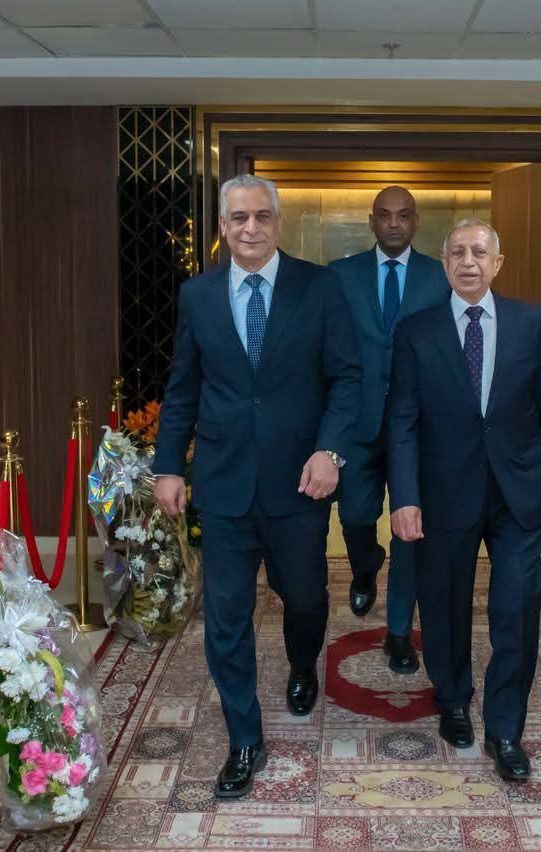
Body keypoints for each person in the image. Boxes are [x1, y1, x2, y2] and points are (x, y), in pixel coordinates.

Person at [153, 174, 361, 799]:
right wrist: (168, 465)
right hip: (223, 484)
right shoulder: (197, 295)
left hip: (300, 483)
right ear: (222, 226)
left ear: (278, 222)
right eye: (238, 218)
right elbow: (183, 387)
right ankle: (244, 738)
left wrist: (330, 451)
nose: (250, 228)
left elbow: (348, 379)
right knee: (226, 615)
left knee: (305, 598)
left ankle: (303, 663)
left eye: (261, 216)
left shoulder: (319, 287)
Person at [387, 218, 541, 782]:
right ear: (445, 264)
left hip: (519, 488)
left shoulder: (531, 323)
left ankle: (505, 729)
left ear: (497, 263)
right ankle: (452, 699)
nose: (469, 262)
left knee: (516, 605)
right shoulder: (415, 332)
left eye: (479, 252)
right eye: (458, 253)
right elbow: (402, 419)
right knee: (444, 601)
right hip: (444, 490)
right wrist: (405, 496)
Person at [328, 185, 449, 674]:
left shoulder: (440, 277)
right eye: (384, 215)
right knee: (355, 517)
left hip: (417, 428)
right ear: (371, 222)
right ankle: (365, 566)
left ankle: (398, 633)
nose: (394, 223)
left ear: (415, 222)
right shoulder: (340, 276)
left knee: (409, 532)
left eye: (403, 215)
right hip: (357, 425)